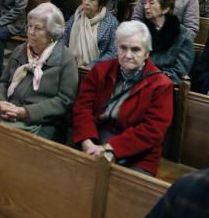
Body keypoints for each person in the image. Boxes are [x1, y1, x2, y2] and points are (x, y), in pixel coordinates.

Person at [72, 21, 174, 175]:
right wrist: (87, 141)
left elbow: (152, 130)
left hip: (138, 152)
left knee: (123, 190)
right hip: (95, 136)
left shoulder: (161, 85)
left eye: (135, 50)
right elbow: (82, 107)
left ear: (147, 53)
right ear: (116, 47)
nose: (128, 55)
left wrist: (110, 149)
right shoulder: (100, 71)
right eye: (123, 48)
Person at [0, 2, 78, 141]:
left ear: (51, 33)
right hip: (9, 112)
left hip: (42, 121)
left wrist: (26, 112)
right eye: (30, 26)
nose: (31, 32)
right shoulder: (20, 50)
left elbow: (64, 101)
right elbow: (3, 82)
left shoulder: (66, 60)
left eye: (38, 28)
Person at [140, 0, 194, 87]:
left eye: (151, 3)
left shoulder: (183, 35)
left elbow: (179, 71)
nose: (146, 6)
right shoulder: (140, 30)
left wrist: (151, 80)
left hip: (164, 85)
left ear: (165, 8)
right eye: (145, 3)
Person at [63, 0, 118, 69]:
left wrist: (91, 66)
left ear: (100, 3)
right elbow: (64, 41)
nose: (86, 3)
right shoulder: (76, 17)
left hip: (96, 71)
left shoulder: (111, 23)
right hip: (70, 67)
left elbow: (113, 53)